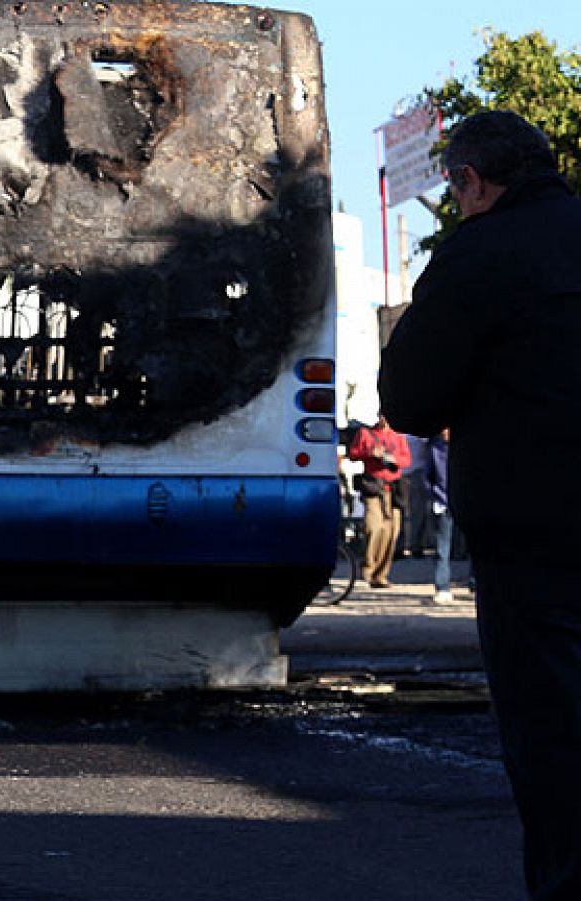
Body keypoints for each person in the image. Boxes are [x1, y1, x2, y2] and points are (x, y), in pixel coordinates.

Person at [379, 109, 581, 900]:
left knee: (557, 741)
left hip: (537, 538)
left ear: (472, 181)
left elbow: (414, 400)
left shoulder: (479, 254)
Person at [346, 416, 411, 588]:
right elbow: (352, 454)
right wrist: (370, 453)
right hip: (373, 487)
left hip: (394, 489)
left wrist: (394, 460)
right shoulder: (366, 433)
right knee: (374, 527)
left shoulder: (398, 436)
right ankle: (368, 567)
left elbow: (407, 460)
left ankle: (381, 574)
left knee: (391, 532)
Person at [423, 430, 455, 604]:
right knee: (443, 548)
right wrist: (435, 495)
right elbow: (428, 477)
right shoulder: (435, 449)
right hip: (442, 502)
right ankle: (442, 586)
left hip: (463, 500)